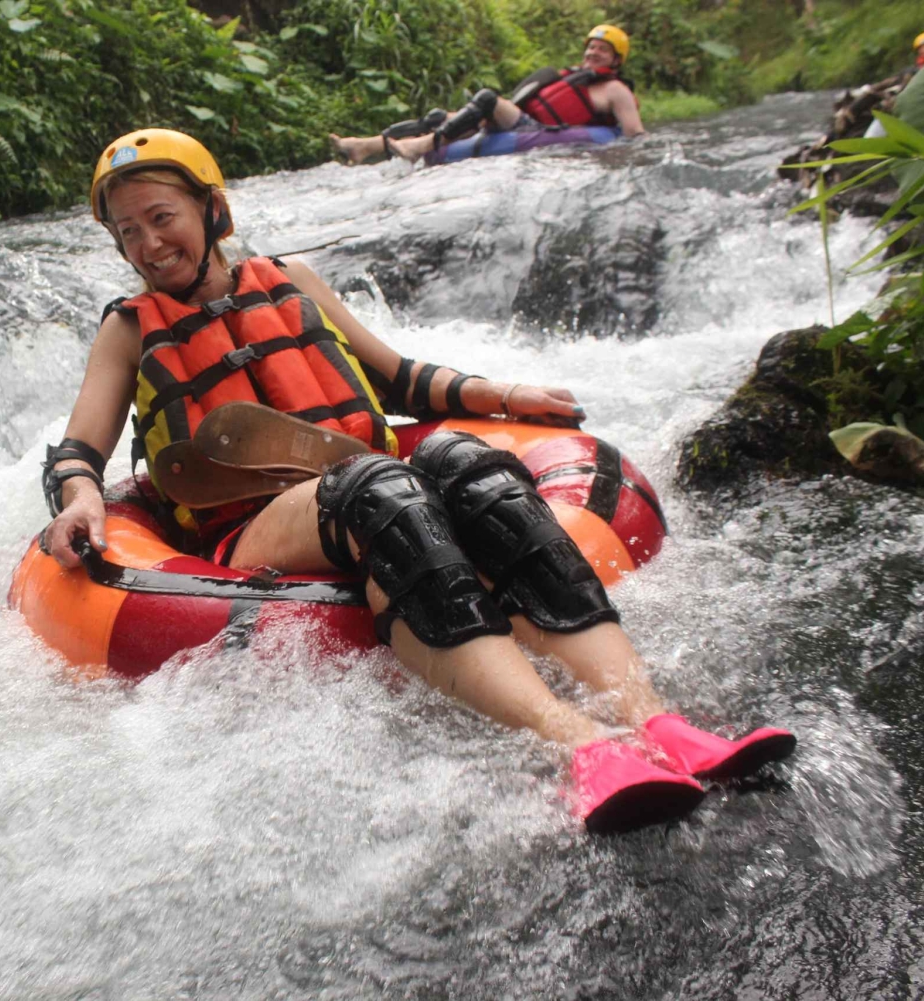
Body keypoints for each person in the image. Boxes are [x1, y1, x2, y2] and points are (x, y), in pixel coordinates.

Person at [39, 128, 794, 834]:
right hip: (250, 529)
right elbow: (80, 449)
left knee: (470, 467)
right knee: (379, 489)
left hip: (355, 479)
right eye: (127, 232)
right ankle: (581, 745)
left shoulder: (291, 280)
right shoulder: (129, 328)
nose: (147, 244)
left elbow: (399, 380)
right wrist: (77, 497)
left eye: (160, 217)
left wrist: (505, 395)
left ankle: (659, 721)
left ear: (212, 208)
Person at [329, 25, 645, 167]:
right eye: (591, 47)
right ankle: (364, 146)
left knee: (487, 98)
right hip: (526, 123)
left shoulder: (615, 90)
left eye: (603, 50)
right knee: (440, 117)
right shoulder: (576, 77)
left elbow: (634, 133)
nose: (593, 53)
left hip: (536, 132)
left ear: (617, 60)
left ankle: (421, 147)